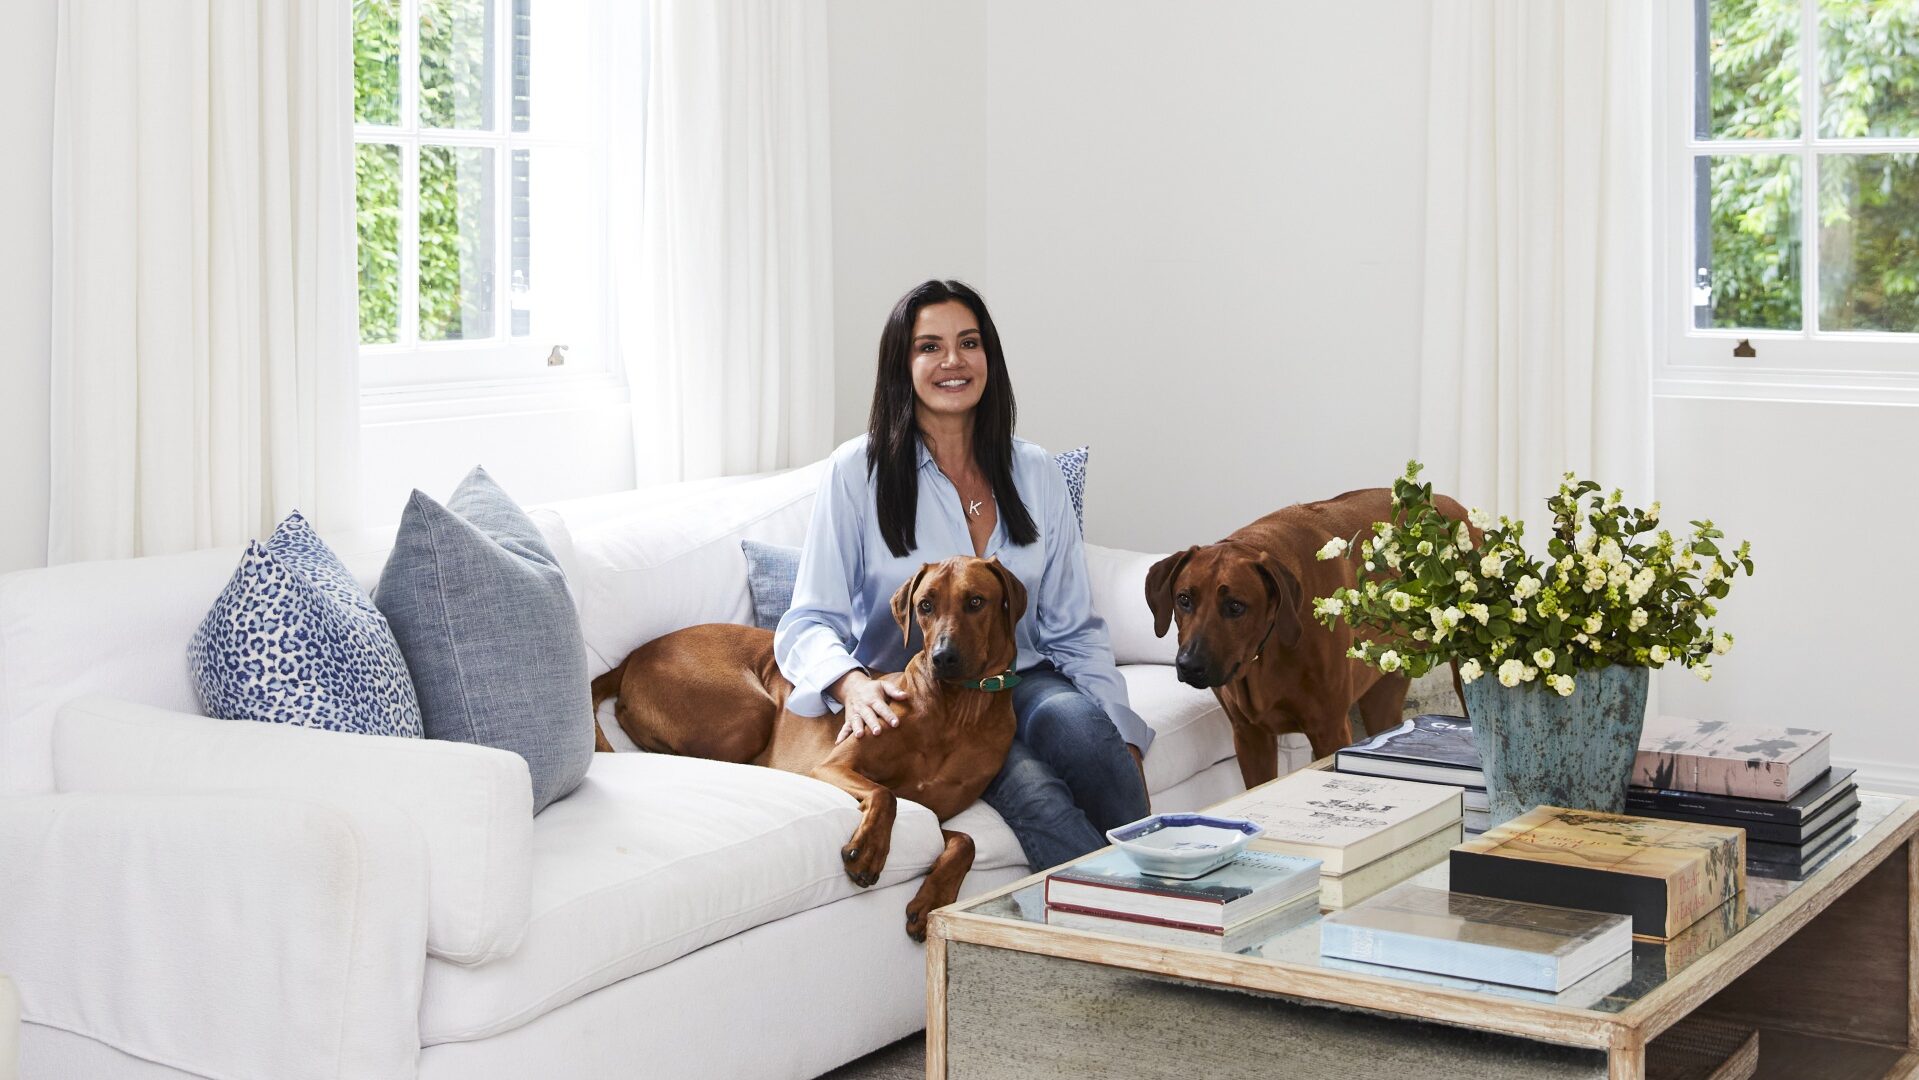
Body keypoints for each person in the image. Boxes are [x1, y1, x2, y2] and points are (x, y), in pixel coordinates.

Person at [774, 279, 1152, 872]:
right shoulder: (858, 470)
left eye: (968, 343)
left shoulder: (1036, 471)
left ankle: (1167, 888)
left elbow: (1072, 628)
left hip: (1022, 679)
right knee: (1037, 797)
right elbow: (808, 619)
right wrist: (851, 686)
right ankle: (1128, 918)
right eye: (930, 347)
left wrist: (1119, 735)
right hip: (924, 694)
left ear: (989, 358)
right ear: (902, 365)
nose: (953, 360)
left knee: (1087, 733)